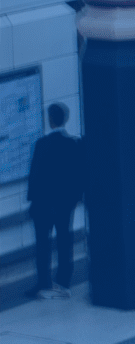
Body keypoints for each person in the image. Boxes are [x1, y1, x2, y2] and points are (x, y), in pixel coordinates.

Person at [26, 103, 81, 300]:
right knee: (64, 241)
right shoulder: (74, 144)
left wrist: (32, 202)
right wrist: (75, 199)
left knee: (43, 244)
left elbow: (35, 176)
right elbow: (78, 176)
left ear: (50, 120)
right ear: (65, 119)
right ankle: (63, 283)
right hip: (65, 204)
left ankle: (43, 284)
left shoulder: (42, 144)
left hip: (43, 205)